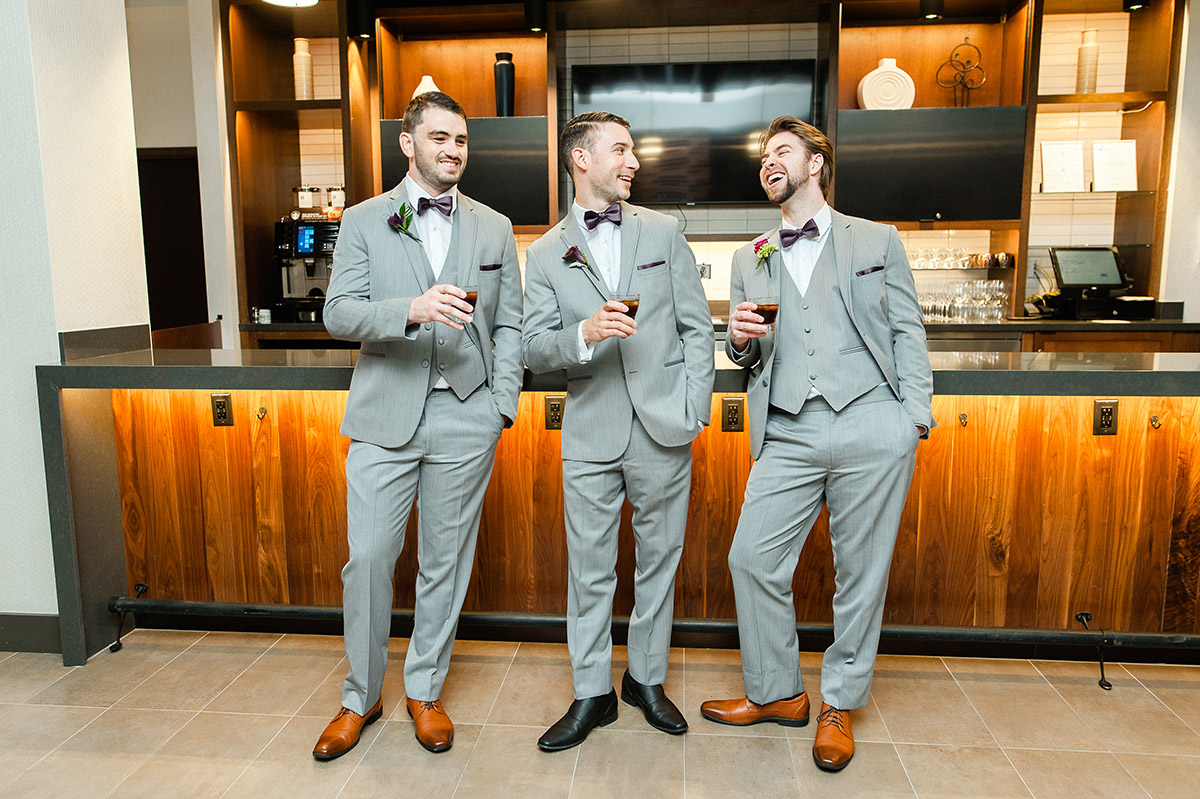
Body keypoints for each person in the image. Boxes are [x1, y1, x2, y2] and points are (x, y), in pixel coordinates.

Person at [699, 116, 933, 772]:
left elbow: (907, 329)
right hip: (790, 427)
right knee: (751, 558)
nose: (768, 163)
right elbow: (743, 352)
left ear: (816, 164)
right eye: (763, 157)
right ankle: (778, 692)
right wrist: (738, 338)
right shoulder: (751, 257)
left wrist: (912, 415)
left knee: (860, 574)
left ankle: (838, 702)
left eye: (782, 153)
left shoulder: (877, 240)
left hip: (870, 421)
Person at [314, 91, 522, 758]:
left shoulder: (494, 226)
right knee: (369, 560)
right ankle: (360, 696)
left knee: (445, 563)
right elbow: (339, 313)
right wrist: (411, 308)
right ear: (408, 143)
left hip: (468, 415)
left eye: (460, 139)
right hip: (384, 413)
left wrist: (500, 405)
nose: (452, 149)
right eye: (438, 138)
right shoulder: (367, 219)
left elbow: (511, 322)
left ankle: (424, 690)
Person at [522, 111, 715, 751]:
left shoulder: (664, 231)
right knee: (590, 569)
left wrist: (694, 408)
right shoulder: (548, 251)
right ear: (581, 159)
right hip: (591, 429)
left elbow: (695, 329)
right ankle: (591, 694)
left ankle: (646, 679)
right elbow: (532, 348)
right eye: (621, 150)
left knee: (660, 562)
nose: (633, 162)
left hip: (664, 427)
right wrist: (583, 334)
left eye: (633, 151)